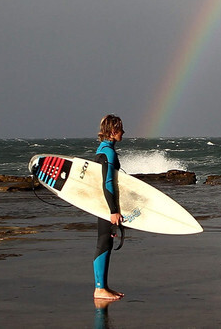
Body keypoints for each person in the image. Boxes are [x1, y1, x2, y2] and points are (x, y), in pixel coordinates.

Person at [94, 114, 125, 301]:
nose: (124, 132)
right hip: (106, 205)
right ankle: (100, 289)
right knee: (104, 242)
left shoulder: (102, 149)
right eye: (121, 129)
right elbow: (108, 183)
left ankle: (103, 287)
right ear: (113, 131)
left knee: (106, 241)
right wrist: (113, 210)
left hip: (101, 203)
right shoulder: (109, 153)